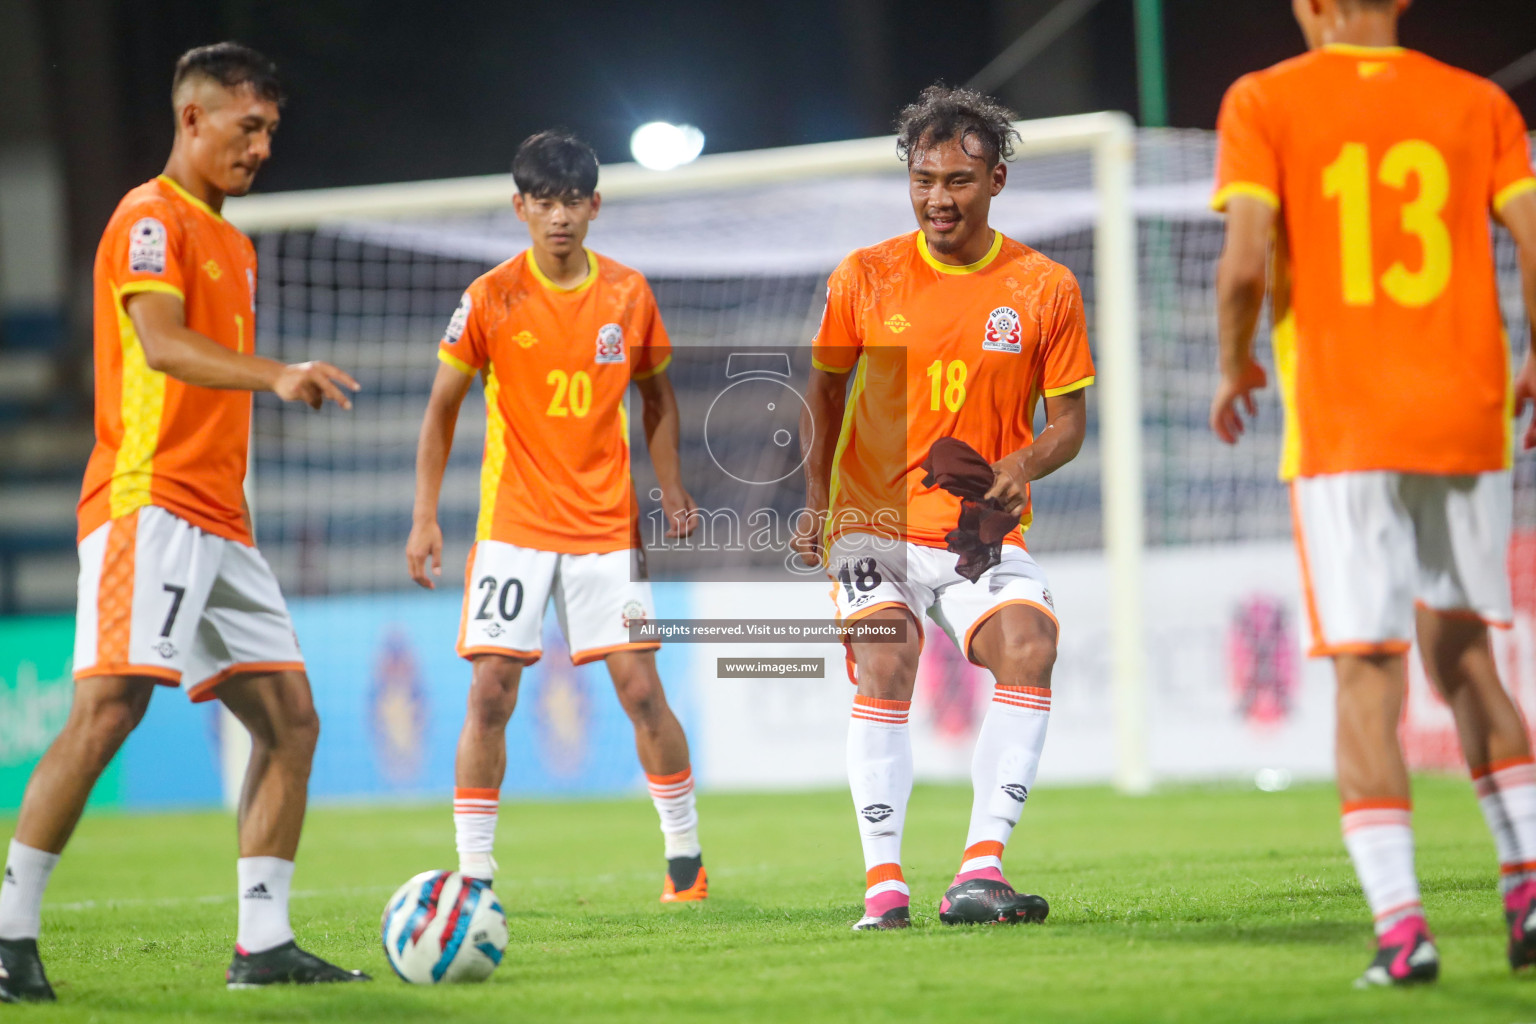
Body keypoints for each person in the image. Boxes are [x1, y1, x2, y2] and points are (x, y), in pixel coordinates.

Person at [0, 43, 369, 1002]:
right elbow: (161, 345)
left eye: (271, 133)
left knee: (292, 722)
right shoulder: (148, 218)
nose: (261, 148)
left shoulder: (235, 242)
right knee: (110, 709)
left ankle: (264, 943)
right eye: (248, 128)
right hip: (147, 504)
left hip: (221, 520)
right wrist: (277, 373)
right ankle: (7, 936)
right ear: (192, 119)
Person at [1210, 0, 1536, 987]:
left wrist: (1233, 366)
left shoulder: (1263, 97)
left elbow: (1241, 269)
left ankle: (1403, 929)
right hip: (1469, 416)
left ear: (1309, 7)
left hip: (1349, 424)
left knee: (1368, 667)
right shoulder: (1476, 100)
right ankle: (1526, 889)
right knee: (1469, 650)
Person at [796, 85, 1094, 931]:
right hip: (873, 522)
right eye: (923, 179)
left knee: (1032, 645)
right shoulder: (865, 275)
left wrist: (1023, 460)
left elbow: (1069, 424)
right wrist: (818, 499)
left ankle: (980, 868)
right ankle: (883, 887)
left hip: (977, 528)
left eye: (958, 180)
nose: (938, 198)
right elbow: (823, 386)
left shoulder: (1044, 288)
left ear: (996, 180)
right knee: (888, 656)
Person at [406, 130, 708, 904]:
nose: (559, 215)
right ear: (520, 207)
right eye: (543, 201)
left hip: (606, 528)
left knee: (641, 689)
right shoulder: (489, 297)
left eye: (573, 200)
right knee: (490, 692)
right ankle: (474, 875)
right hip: (513, 526)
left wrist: (670, 489)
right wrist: (424, 518)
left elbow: (660, 400)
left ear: (595, 205)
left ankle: (686, 859)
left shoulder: (629, 295)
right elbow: (441, 410)